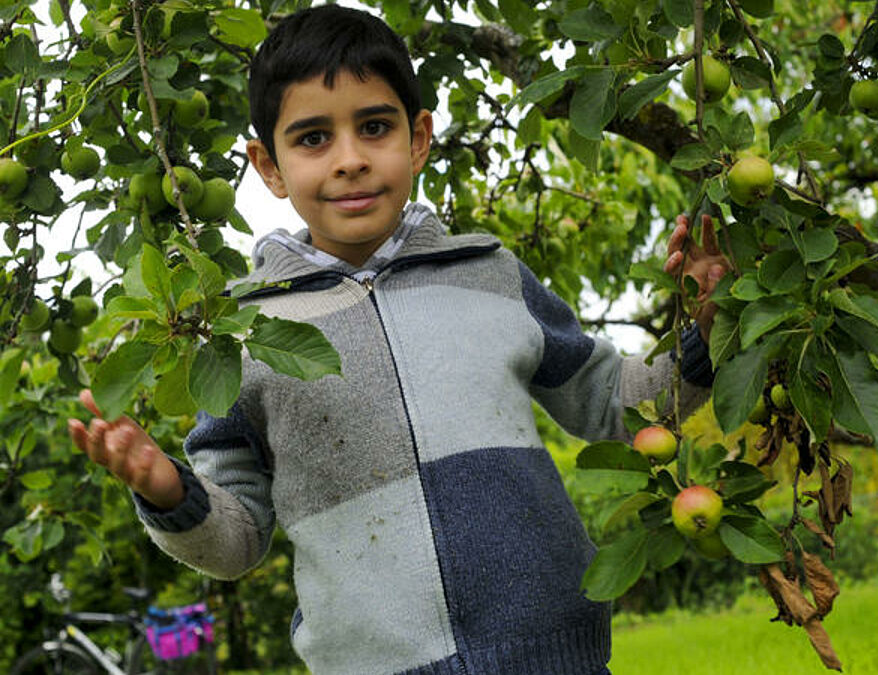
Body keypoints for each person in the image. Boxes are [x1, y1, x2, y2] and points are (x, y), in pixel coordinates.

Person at [69, 5, 728, 674]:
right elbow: (237, 541)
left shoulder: (490, 274)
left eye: (375, 127)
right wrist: (167, 492)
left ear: (418, 139)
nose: (350, 160)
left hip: (554, 654)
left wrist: (707, 328)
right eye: (313, 138)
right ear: (268, 166)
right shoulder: (247, 333)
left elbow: (618, 402)